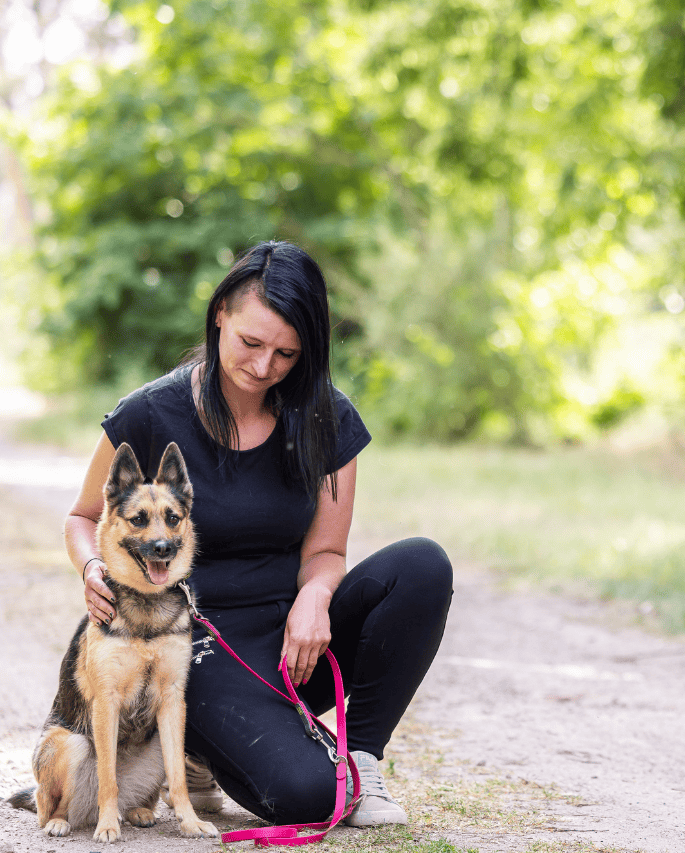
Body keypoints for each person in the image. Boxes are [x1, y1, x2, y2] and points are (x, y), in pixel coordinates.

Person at [65, 240, 454, 828]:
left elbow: (326, 551)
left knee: (422, 565)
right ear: (220, 313)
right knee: (310, 796)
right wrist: (92, 568)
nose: (264, 366)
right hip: (196, 646)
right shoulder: (150, 413)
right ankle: (196, 745)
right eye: (251, 342)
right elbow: (82, 517)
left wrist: (316, 596)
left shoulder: (327, 416)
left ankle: (362, 760)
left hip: (296, 641)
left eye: (286, 353)